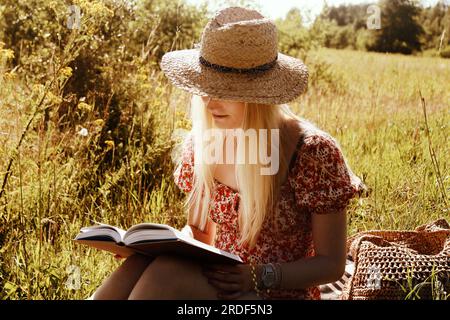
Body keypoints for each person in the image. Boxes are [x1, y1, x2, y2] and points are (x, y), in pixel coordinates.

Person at [92, 6, 367, 300]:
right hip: (218, 281)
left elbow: (331, 265)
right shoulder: (204, 142)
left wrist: (258, 276)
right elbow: (199, 235)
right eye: (205, 88)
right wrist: (154, 248)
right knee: (141, 265)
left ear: (258, 94)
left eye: (224, 91)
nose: (209, 103)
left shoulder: (312, 152)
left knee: (163, 278)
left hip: (272, 294)